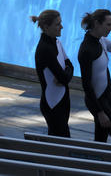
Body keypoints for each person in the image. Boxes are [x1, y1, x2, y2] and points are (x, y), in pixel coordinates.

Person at [78, 9, 111, 144]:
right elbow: (86, 85)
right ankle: (109, 164)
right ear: (96, 23)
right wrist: (100, 112)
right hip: (98, 102)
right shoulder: (86, 49)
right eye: (108, 25)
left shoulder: (102, 41)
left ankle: (97, 164)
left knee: (100, 139)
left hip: (107, 97)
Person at [31, 9, 73, 137]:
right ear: (46, 27)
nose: (62, 27)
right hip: (53, 104)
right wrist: (65, 74)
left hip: (63, 100)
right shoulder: (45, 49)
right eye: (57, 24)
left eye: (60, 23)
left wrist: (66, 72)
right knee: (63, 143)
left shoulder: (56, 41)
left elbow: (69, 65)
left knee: (60, 142)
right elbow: (65, 78)